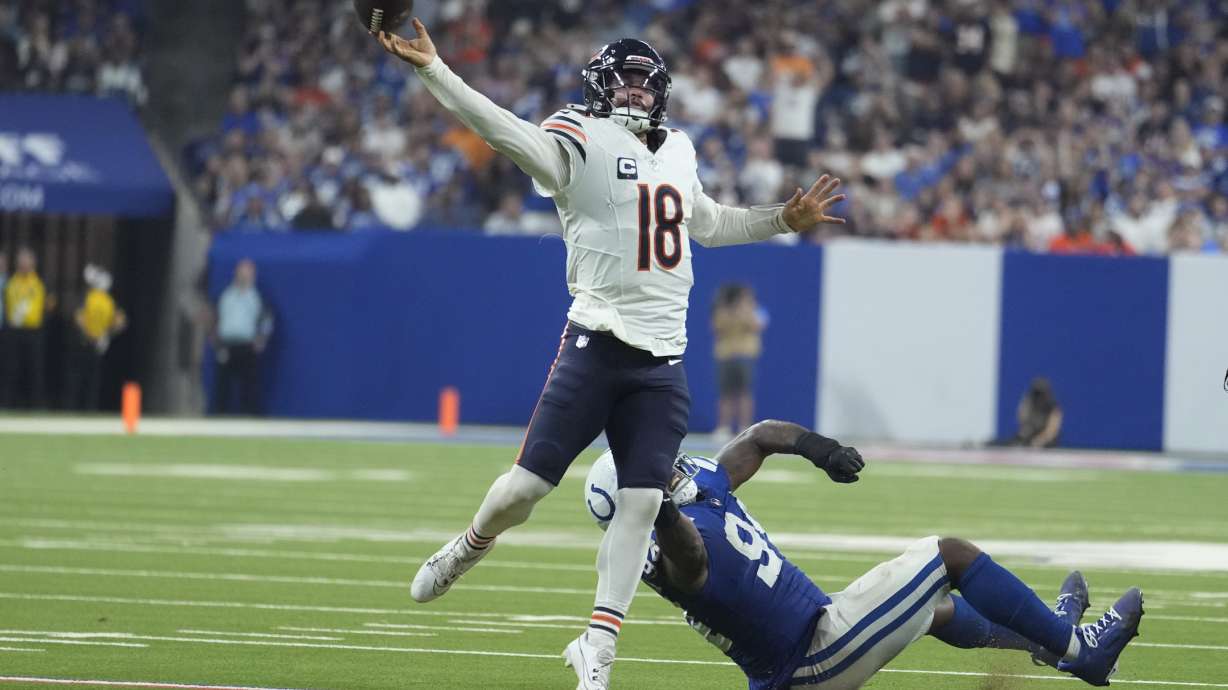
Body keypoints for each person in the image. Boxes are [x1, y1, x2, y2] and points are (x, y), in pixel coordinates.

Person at [375, 20, 847, 689]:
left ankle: (597, 652)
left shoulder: (679, 149)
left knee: (642, 505)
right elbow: (501, 130)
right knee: (526, 489)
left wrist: (781, 220)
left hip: (662, 364)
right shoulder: (580, 137)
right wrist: (434, 70)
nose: (633, 91)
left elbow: (709, 224)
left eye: (642, 81)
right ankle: (469, 545)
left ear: (660, 93)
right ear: (599, 87)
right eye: (622, 79)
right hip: (596, 344)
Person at [584, 421, 1143, 689]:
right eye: (655, 472)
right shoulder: (666, 554)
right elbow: (694, 558)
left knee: (935, 609)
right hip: (808, 661)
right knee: (947, 556)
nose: (671, 466)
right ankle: (1078, 649)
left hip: (816, 630)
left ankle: (1052, 639)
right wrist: (655, 507)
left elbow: (757, 439)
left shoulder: (693, 489)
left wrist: (818, 451)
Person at [209, 258, 273, 416]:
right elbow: (214, 319)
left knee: (249, 384)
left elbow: (266, 320)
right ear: (236, 274)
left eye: (247, 274)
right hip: (227, 345)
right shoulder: (226, 296)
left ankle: (249, 416)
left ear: (253, 276)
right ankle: (219, 415)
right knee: (222, 385)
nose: (244, 277)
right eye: (241, 273)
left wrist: (262, 339)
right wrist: (216, 343)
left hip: (247, 345)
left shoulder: (257, 297)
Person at [63, 265, 126, 410]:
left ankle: (77, 407)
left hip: (87, 342)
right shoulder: (107, 300)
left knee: (82, 379)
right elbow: (121, 322)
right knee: (88, 380)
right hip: (93, 343)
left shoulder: (91, 297)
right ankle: (86, 407)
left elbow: (78, 318)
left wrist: (98, 335)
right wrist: (105, 336)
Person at [712, 284, 766, 441]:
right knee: (725, 393)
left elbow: (757, 325)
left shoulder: (753, 310)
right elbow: (717, 327)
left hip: (745, 355)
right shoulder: (723, 310)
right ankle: (724, 427)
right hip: (726, 355)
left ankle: (745, 426)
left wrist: (744, 311)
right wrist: (729, 311)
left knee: (744, 392)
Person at [2, 247, 47, 408]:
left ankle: (36, 405)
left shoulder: (38, 283)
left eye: (27, 260)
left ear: (33, 263)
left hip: (33, 331)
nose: (24, 263)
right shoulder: (12, 283)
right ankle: (6, 403)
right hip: (14, 330)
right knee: (10, 368)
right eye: (21, 260)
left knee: (34, 369)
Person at [1013, 376, 1062, 447]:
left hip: (1047, 440)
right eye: (1036, 394)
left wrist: (1040, 440)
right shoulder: (1029, 403)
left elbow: (1051, 431)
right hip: (1031, 434)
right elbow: (1022, 420)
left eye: (1041, 395)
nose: (1039, 398)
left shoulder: (1053, 407)